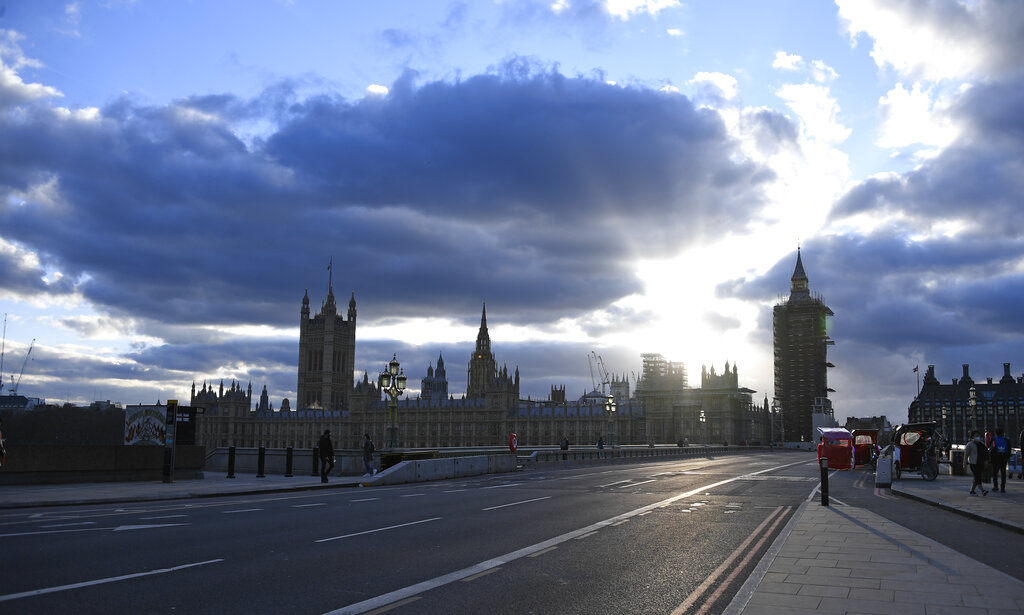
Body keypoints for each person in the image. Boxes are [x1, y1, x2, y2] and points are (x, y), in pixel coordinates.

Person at [964, 431, 989, 496]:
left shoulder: (982, 444)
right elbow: (966, 455)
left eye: (978, 435)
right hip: (973, 463)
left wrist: (986, 462)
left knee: (976, 477)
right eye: (975, 435)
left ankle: (972, 491)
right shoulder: (969, 445)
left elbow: (985, 454)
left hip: (980, 463)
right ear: (972, 437)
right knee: (978, 476)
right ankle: (983, 490)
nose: (977, 437)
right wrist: (964, 464)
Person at [991, 428, 1009, 493]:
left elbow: (992, 449)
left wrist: (991, 459)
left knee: (995, 473)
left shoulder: (994, 440)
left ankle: (995, 486)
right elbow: (1009, 450)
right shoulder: (1006, 440)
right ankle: (1002, 487)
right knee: (1003, 473)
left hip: (996, 459)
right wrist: (1007, 457)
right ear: (1003, 433)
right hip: (1003, 459)